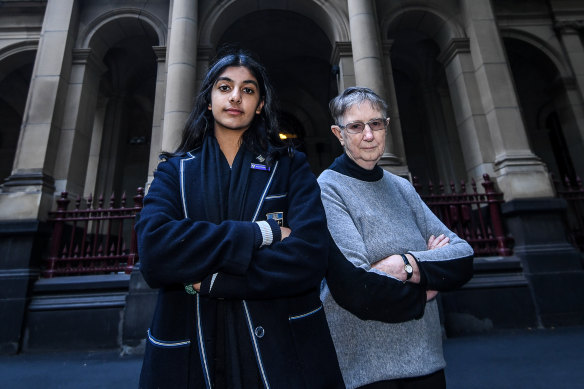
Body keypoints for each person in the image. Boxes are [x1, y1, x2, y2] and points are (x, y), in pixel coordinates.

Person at [135, 49, 344, 389]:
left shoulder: (290, 166)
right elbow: (155, 253)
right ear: (209, 100)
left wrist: (216, 282)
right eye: (224, 87)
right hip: (191, 349)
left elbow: (309, 257)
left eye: (248, 90)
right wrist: (262, 233)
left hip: (282, 351)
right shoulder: (173, 171)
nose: (235, 96)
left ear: (260, 104)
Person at [318, 86, 474, 389]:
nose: (368, 135)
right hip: (366, 370)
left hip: (427, 360)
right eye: (356, 126)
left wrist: (403, 265)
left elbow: (463, 256)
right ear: (338, 134)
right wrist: (426, 284)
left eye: (376, 123)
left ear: (386, 127)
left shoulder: (402, 187)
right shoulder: (327, 188)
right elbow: (357, 289)